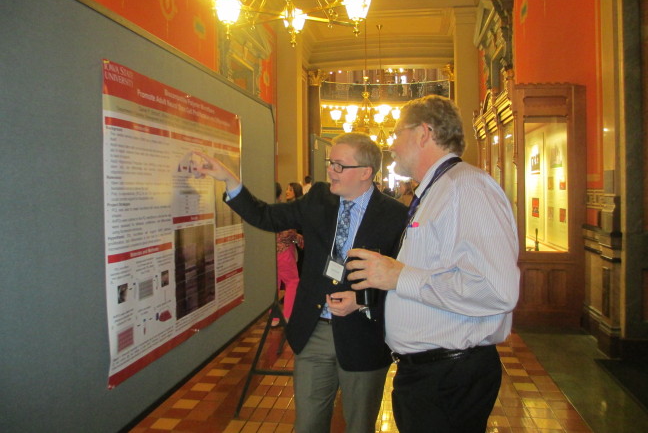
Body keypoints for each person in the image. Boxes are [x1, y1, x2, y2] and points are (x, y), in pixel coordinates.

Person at [194, 133, 408, 433]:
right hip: (315, 330)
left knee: (360, 425)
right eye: (330, 163)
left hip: (364, 335)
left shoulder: (396, 216)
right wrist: (230, 181)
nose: (331, 170)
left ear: (365, 172)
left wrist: (362, 300)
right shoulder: (319, 198)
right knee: (307, 424)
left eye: (339, 165)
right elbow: (266, 216)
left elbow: (406, 278)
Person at [346, 95, 520, 433]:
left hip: (448, 377)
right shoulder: (439, 190)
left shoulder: (466, 188)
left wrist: (399, 277)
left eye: (397, 133)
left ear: (424, 133)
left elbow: (495, 290)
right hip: (430, 374)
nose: (391, 145)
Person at [273, 182, 302, 326]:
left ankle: (274, 318)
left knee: (275, 284)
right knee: (292, 282)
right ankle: (287, 315)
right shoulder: (280, 210)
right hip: (284, 252)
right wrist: (297, 236)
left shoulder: (264, 209)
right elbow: (287, 233)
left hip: (271, 253)